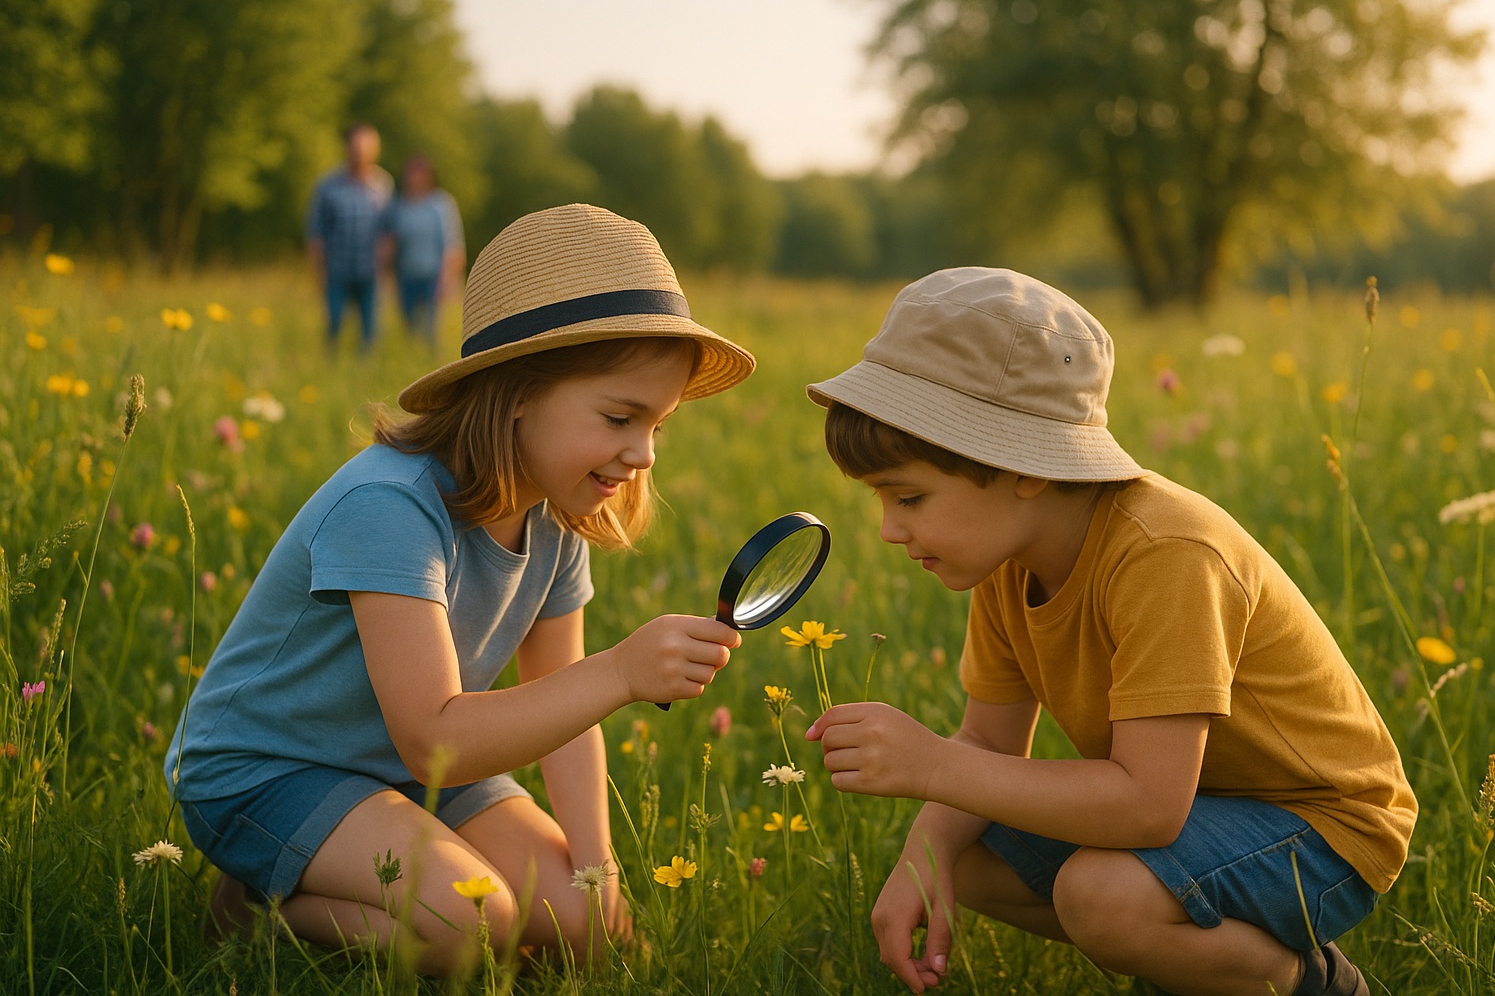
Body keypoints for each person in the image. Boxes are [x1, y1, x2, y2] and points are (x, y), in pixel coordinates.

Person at [165, 204, 754, 976]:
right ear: (514, 393)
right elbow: (435, 738)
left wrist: (599, 873)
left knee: (574, 918)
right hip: (272, 771)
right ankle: (257, 907)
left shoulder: (553, 512)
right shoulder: (391, 505)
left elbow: (565, 715)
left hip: (409, 778)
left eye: (658, 427)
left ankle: (369, 875)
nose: (641, 454)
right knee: (475, 922)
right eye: (619, 417)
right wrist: (618, 673)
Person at [802, 267, 1416, 996]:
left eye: (909, 496)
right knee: (960, 852)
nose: (889, 529)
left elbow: (1149, 807)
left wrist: (931, 765)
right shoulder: (1011, 557)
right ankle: (1190, 955)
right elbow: (990, 744)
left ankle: (1310, 983)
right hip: (1198, 812)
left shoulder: (1165, 554)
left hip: (1320, 831)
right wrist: (922, 858)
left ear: (1021, 466)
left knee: (1101, 896)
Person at [306, 123, 393, 353]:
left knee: (370, 331)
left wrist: (385, 267)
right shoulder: (327, 186)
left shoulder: (384, 185)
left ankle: (365, 375)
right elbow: (316, 232)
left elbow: (387, 231)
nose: (360, 153)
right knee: (334, 323)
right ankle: (330, 367)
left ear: (375, 150)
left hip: (370, 271)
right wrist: (318, 271)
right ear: (347, 148)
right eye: (356, 147)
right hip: (337, 269)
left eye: (366, 148)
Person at [378, 154, 465, 343]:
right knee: (408, 327)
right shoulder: (398, 206)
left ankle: (432, 366)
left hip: (432, 276)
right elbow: (390, 240)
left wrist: (448, 277)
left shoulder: (441, 204)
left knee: (431, 330)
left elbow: (452, 243)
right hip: (405, 275)